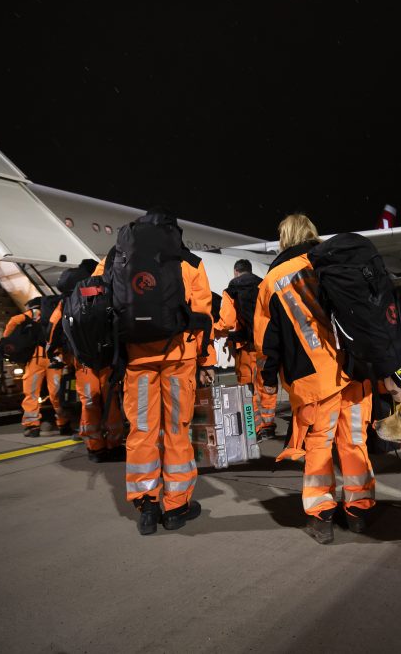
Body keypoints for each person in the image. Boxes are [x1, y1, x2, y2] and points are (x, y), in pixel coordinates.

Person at [254, 214, 375, 545]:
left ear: (284, 238)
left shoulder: (273, 280)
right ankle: (359, 510)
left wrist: (265, 383)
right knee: (354, 441)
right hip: (354, 370)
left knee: (319, 445)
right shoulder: (334, 260)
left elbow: (266, 343)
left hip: (313, 378)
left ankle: (322, 516)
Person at [94, 207, 216, 535]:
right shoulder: (189, 261)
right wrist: (206, 362)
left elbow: (96, 298)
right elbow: (204, 316)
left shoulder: (116, 257)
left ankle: (146, 505)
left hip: (136, 359)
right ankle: (176, 507)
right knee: (177, 429)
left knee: (142, 429)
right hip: (178, 356)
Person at [48, 260, 124, 462]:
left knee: (89, 402)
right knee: (111, 402)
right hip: (107, 358)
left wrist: (53, 351)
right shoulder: (103, 289)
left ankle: (95, 447)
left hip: (82, 360)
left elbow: (53, 328)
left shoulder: (68, 298)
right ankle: (114, 445)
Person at [217, 259, 277, 440]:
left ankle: (253, 428)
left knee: (248, 387)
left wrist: (214, 331)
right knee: (267, 384)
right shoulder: (264, 284)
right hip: (266, 344)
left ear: (236, 272)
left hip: (245, 347)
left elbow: (227, 321)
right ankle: (267, 425)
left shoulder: (231, 290)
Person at [2, 297, 70, 437]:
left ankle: (32, 427)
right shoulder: (57, 312)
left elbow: (13, 321)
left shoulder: (34, 314)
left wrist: (6, 341)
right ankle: (63, 423)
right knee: (57, 394)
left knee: (31, 393)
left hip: (36, 359)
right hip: (55, 357)